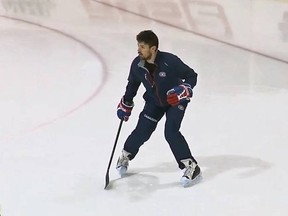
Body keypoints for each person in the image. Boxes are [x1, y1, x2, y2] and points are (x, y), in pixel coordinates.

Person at [116, 30, 202, 187]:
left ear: (153, 48)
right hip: (154, 101)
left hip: (175, 100)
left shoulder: (171, 61)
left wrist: (185, 88)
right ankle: (126, 155)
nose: (138, 50)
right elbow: (132, 85)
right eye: (138, 46)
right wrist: (126, 102)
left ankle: (191, 166)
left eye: (142, 47)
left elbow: (192, 75)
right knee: (142, 130)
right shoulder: (137, 65)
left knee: (171, 132)